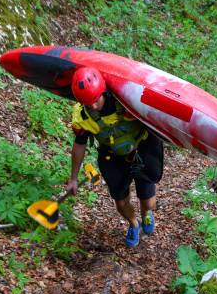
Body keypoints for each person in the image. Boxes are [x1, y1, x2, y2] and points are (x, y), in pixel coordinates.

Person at [66, 67, 164, 247]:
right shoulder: (81, 115)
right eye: (88, 103)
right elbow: (79, 144)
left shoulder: (126, 99)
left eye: (96, 100)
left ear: (103, 91)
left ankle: (146, 214)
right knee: (120, 202)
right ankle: (134, 223)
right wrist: (73, 178)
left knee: (148, 201)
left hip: (141, 148)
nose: (93, 106)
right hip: (112, 156)